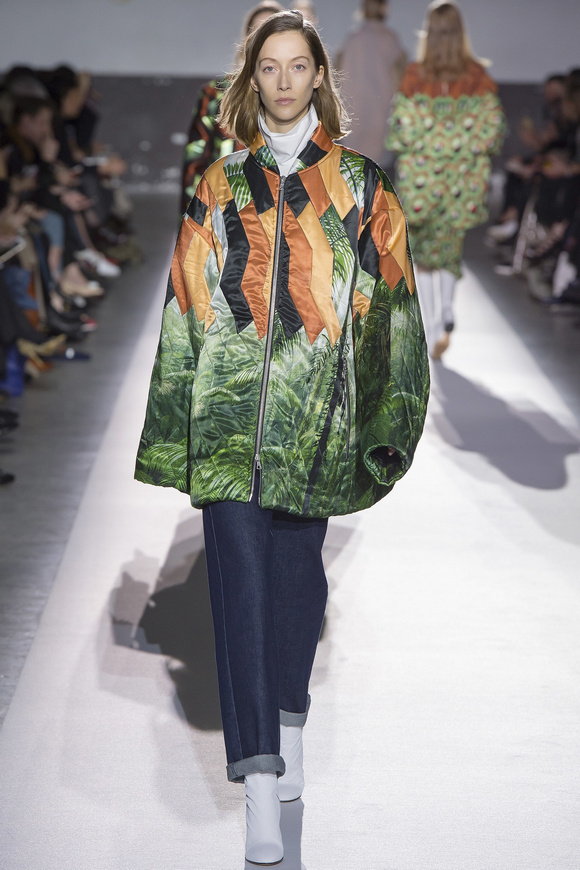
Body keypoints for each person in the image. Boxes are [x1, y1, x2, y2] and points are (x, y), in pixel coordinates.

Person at [136, 10, 429, 865]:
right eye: (270, 67)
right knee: (239, 591)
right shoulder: (219, 184)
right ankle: (259, 777)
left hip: (316, 423)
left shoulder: (362, 187)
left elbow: (393, 311)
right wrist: (175, 426)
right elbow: (186, 304)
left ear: (320, 78)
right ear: (251, 79)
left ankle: (289, 718)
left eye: (300, 66)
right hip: (229, 422)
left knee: (298, 584)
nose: (285, 81)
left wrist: (389, 419)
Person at [387, 0, 505, 359]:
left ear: (429, 33)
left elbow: (400, 131)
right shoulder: (478, 77)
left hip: (422, 177)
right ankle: (447, 313)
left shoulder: (414, 75)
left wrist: (428, 136)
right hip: (461, 178)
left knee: (421, 251)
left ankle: (433, 321)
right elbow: (492, 131)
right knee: (450, 247)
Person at [180, 1, 283, 214]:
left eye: (273, 31)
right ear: (246, 40)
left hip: (282, 217)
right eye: (257, 30)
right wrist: (194, 222)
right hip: (223, 215)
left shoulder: (300, 97)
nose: (263, 38)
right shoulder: (215, 94)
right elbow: (194, 166)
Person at [336, 0, 406, 167]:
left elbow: (337, 72)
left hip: (354, 110)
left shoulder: (353, 38)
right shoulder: (389, 38)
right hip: (380, 110)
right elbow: (400, 77)